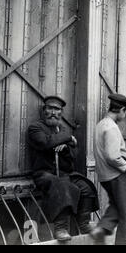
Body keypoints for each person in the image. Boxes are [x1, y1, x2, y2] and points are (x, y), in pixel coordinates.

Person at [27, 96, 99, 242]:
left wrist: (66, 147)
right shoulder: (35, 128)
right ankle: (60, 228)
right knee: (62, 185)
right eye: (50, 108)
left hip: (64, 174)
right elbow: (45, 143)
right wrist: (68, 138)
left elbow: (73, 155)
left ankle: (84, 223)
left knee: (86, 186)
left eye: (57, 109)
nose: (53, 112)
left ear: (61, 113)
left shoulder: (63, 130)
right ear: (44, 110)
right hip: (44, 174)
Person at [90, 94, 126, 245]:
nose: (125, 115)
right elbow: (112, 156)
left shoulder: (101, 124)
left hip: (105, 175)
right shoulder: (111, 127)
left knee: (117, 207)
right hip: (117, 175)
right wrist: (125, 166)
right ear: (122, 110)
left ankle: (101, 230)